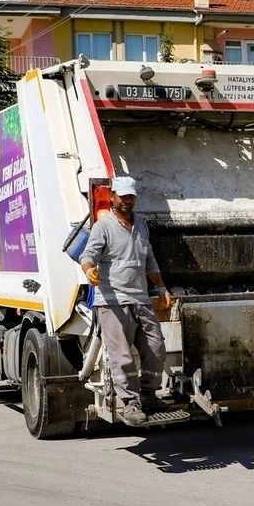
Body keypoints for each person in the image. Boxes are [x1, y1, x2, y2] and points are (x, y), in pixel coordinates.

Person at [79, 176, 171, 426]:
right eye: (123, 197)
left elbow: (148, 259)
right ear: (113, 197)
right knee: (122, 356)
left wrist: (161, 287)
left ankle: (149, 394)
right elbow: (88, 255)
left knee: (156, 348)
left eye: (131, 197)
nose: (127, 201)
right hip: (113, 301)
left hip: (140, 297)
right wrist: (89, 270)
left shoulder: (141, 225)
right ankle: (130, 403)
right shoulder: (103, 226)